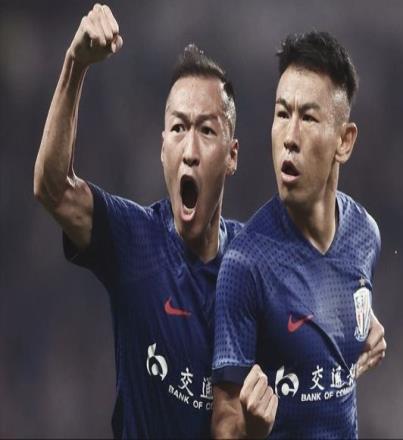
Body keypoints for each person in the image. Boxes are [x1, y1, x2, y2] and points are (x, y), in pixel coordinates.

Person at [33, 4, 276, 437]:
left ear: (232, 155)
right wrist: (75, 64)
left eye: (206, 130)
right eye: (179, 128)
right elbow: (53, 188)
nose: (190, 150)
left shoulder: (253, 264)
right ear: (163, 148)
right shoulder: (135, 238)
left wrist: (358, 319)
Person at [212, 31, 385, 438]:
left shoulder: (365, 234)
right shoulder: (245, 265)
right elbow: (223, 424)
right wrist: (253, 428)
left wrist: (363, 325)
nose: (289, 137)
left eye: (307, 118)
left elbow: (339, 298)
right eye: (281, 113)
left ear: (344, 141)